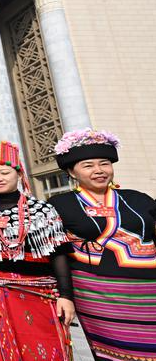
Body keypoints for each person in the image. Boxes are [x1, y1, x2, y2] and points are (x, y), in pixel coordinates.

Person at [48, 129, 156, 361]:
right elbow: (58, 252)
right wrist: (65, 295)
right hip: (98, 297)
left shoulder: (139, 198)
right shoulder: (60, 204)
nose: (99, 170)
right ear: (71, 172)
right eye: (88, 165)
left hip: (150, 293)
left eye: (104, 163)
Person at [0, 141, 75, 361]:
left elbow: (58, 253)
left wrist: (66, 296)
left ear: (19, 173)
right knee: (2, 349)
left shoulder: (41, 209)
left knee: (46, 347)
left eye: (4, 172)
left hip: (39, 292)